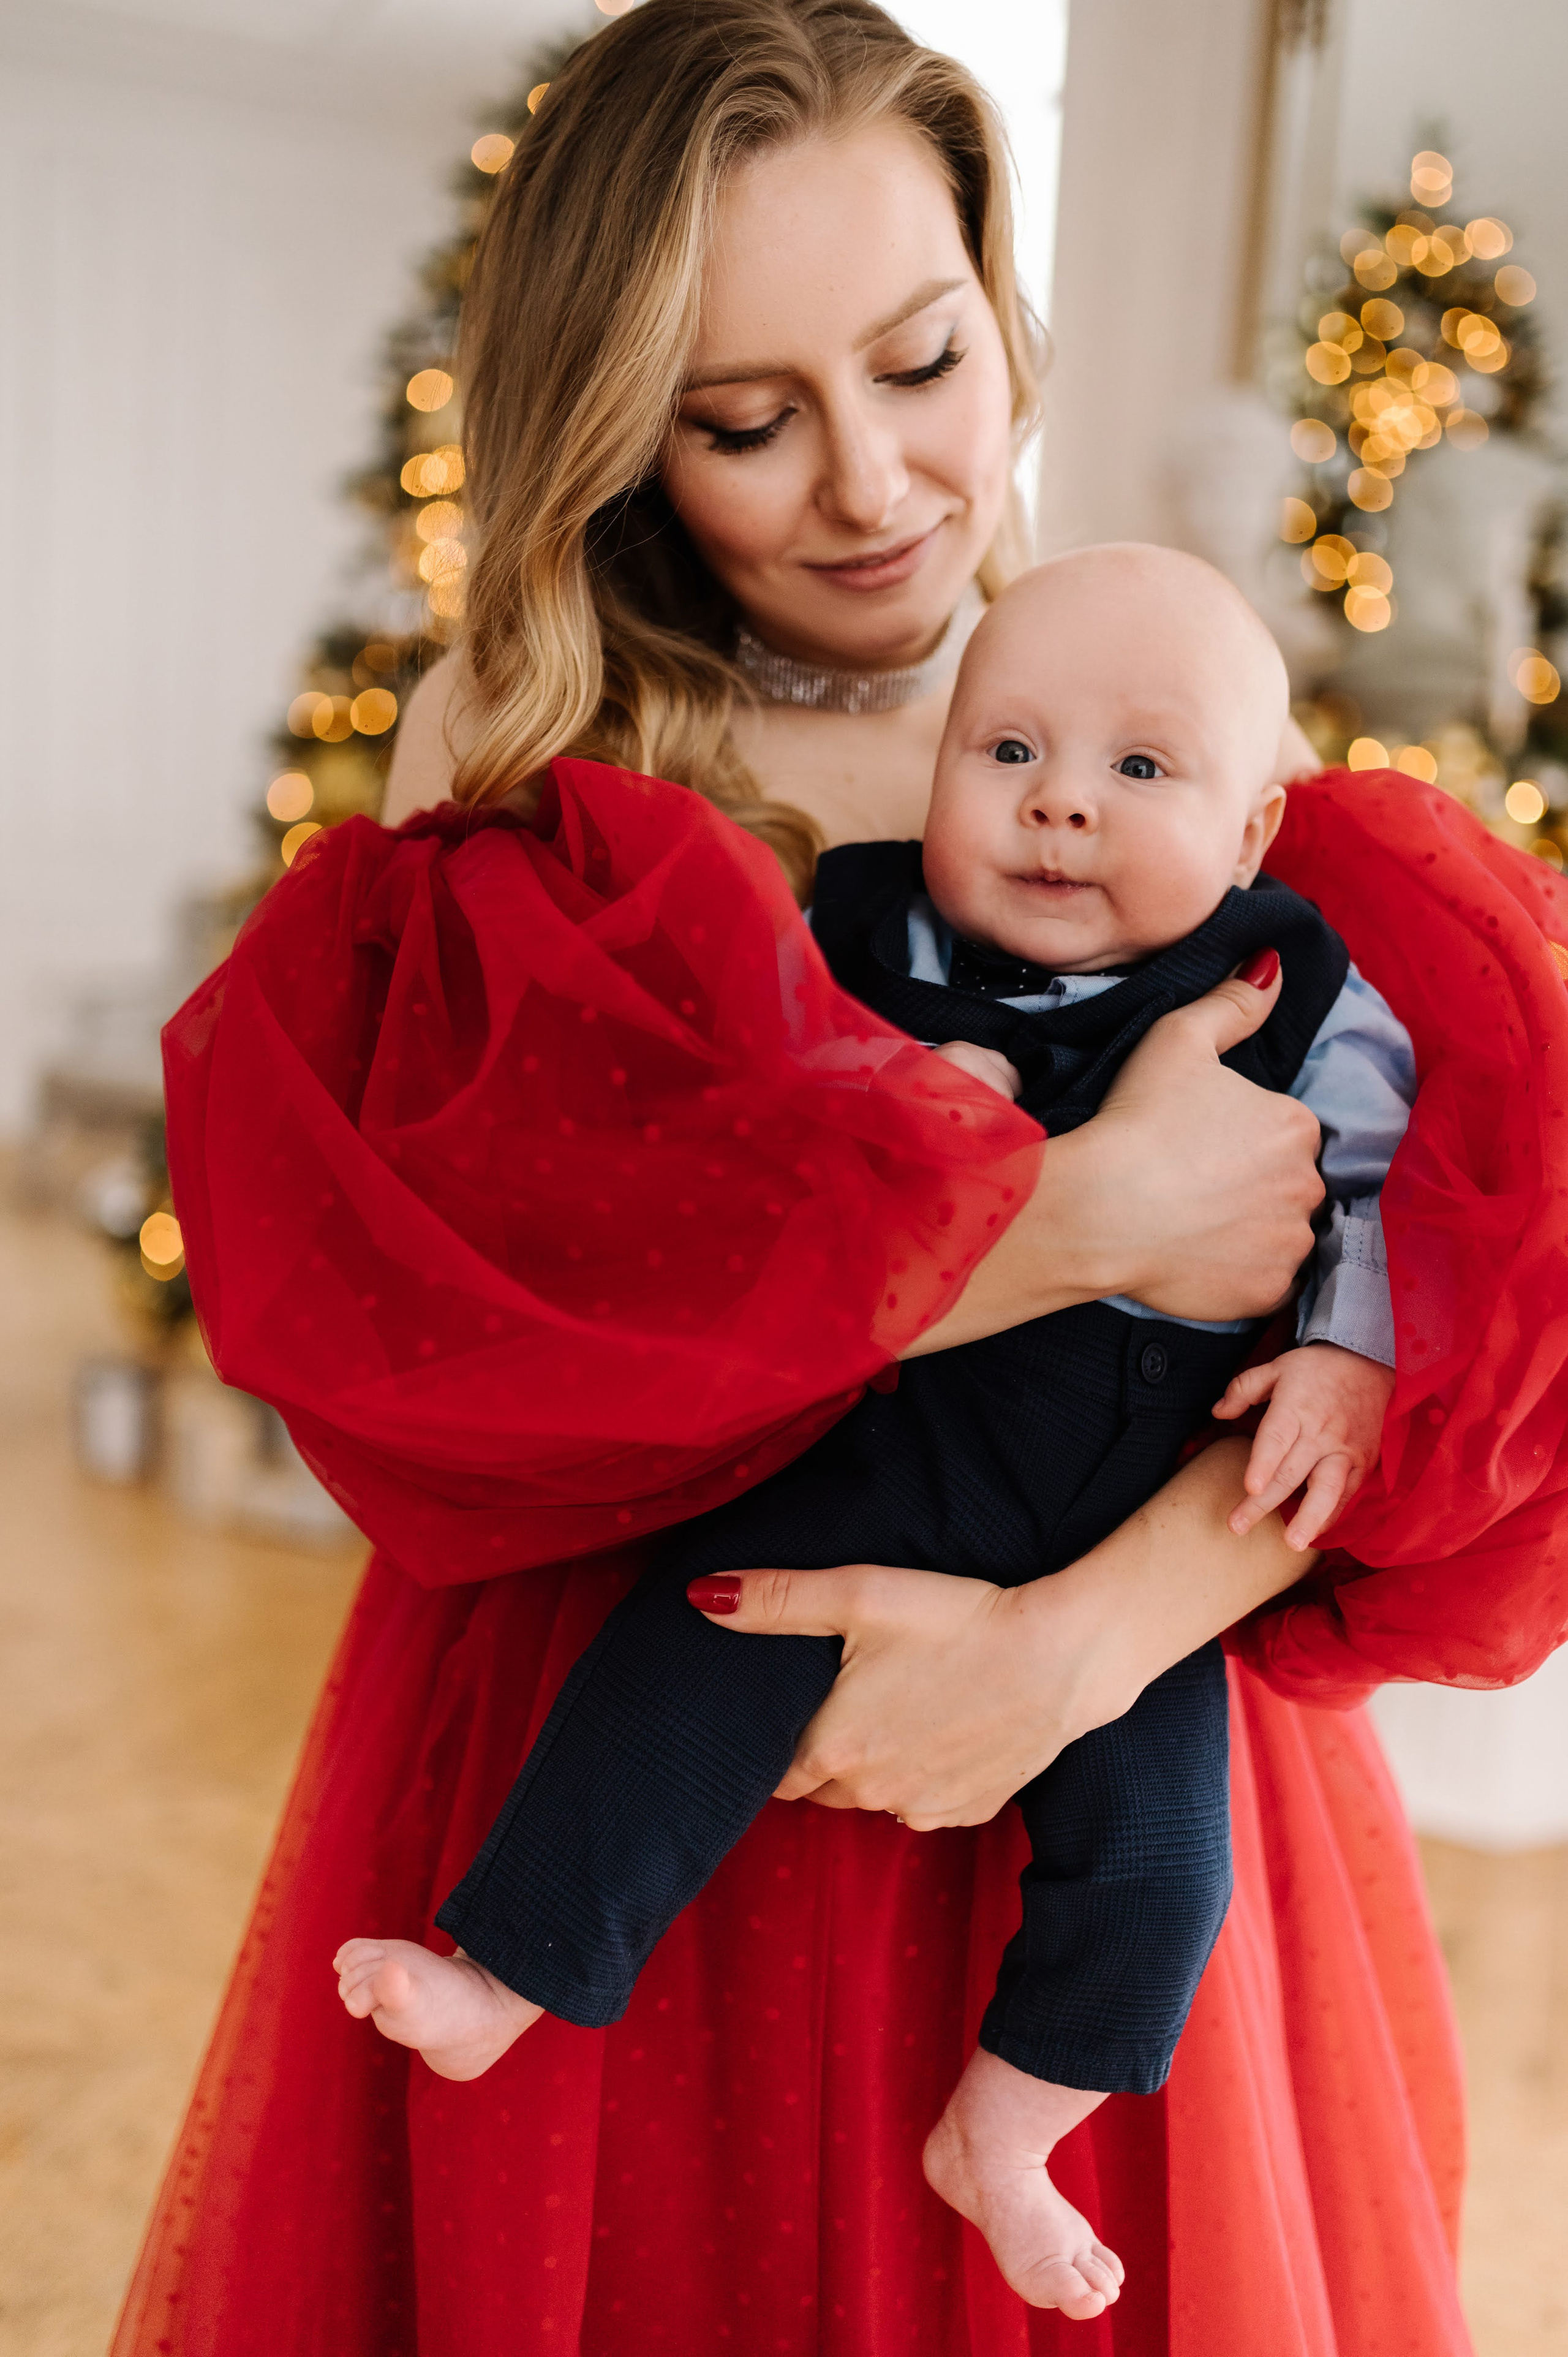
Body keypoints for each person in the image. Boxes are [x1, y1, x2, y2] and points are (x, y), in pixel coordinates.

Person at [115, 6, 1568, 2353]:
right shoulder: (538, 758)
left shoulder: (1156, 700)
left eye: (921, 361)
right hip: (622, 1732)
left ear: (1006, 298)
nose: (877, 484)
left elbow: (1371, 1333)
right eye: (744, 422)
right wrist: (1077, 1223)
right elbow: (472, 1327)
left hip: (1113, 1696)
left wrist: (1063, 1655)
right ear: (615, 430)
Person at [332, 547, 1415, 2325]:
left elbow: (1380, 1206)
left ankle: (1015, 2121)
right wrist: (945, 1136)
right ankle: (513, 1969)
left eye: (1140, 774)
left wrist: (1345, 1363)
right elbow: (737, 1181)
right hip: (905, 1449)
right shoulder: (864, 930)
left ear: (1249, 831)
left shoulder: (1303, 987)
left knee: (1161, 1867)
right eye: (1009, 753)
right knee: (689, 1659)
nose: (1063, 799)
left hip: (1145, 1507)